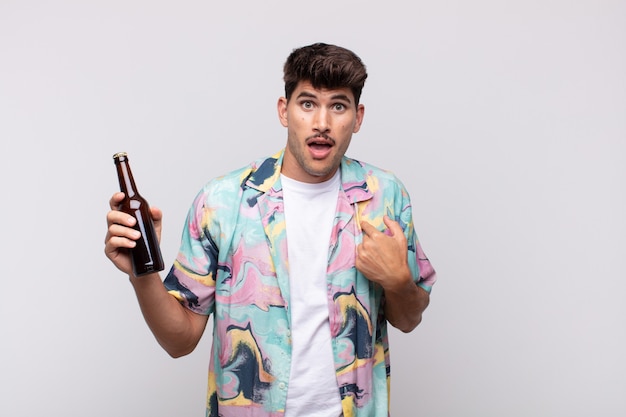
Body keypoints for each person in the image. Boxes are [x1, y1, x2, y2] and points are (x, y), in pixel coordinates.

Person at [105, 42, 437, 417]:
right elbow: (179, 341)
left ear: (357, 118)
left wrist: (398, 281)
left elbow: (409, 317)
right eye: (307, 103)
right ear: (285, 110)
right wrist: (142, 274)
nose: (322, 123)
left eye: (338, 106)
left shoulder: (384, 197)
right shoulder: (223, 202)